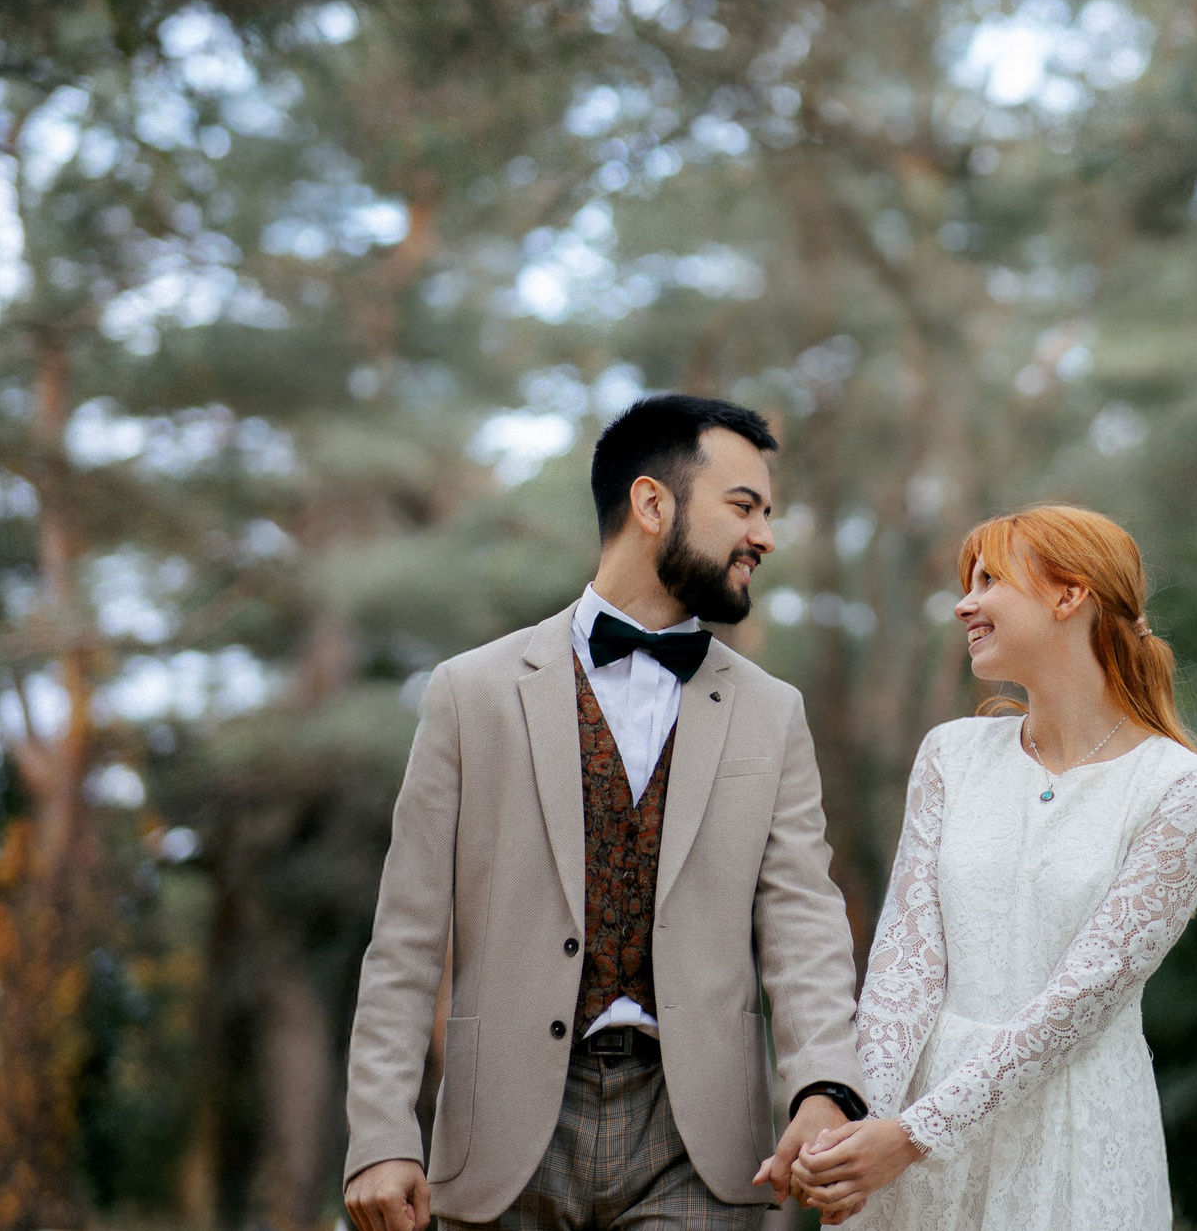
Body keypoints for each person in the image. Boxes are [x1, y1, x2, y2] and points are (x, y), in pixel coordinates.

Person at [340, 395, 870, 1231]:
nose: (764, 536)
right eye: (743, 507)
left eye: (767, 513)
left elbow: (804, 919)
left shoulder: (773, 712)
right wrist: (379, 1133)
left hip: (697, 1140)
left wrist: (824, 1084)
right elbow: (405, 935)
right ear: (653, 503)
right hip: (500, 1132)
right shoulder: (469, 693)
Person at [791, 505, 1197, 1229]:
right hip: (909, 1135)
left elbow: (1077, 1005)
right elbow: (904, 969)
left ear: (1069, 595)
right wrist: (854, 1124)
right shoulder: (950, 755)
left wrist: (914, 1135)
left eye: (989, 579)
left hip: (1070, 1136)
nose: (965, 601)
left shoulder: (1177, 788)